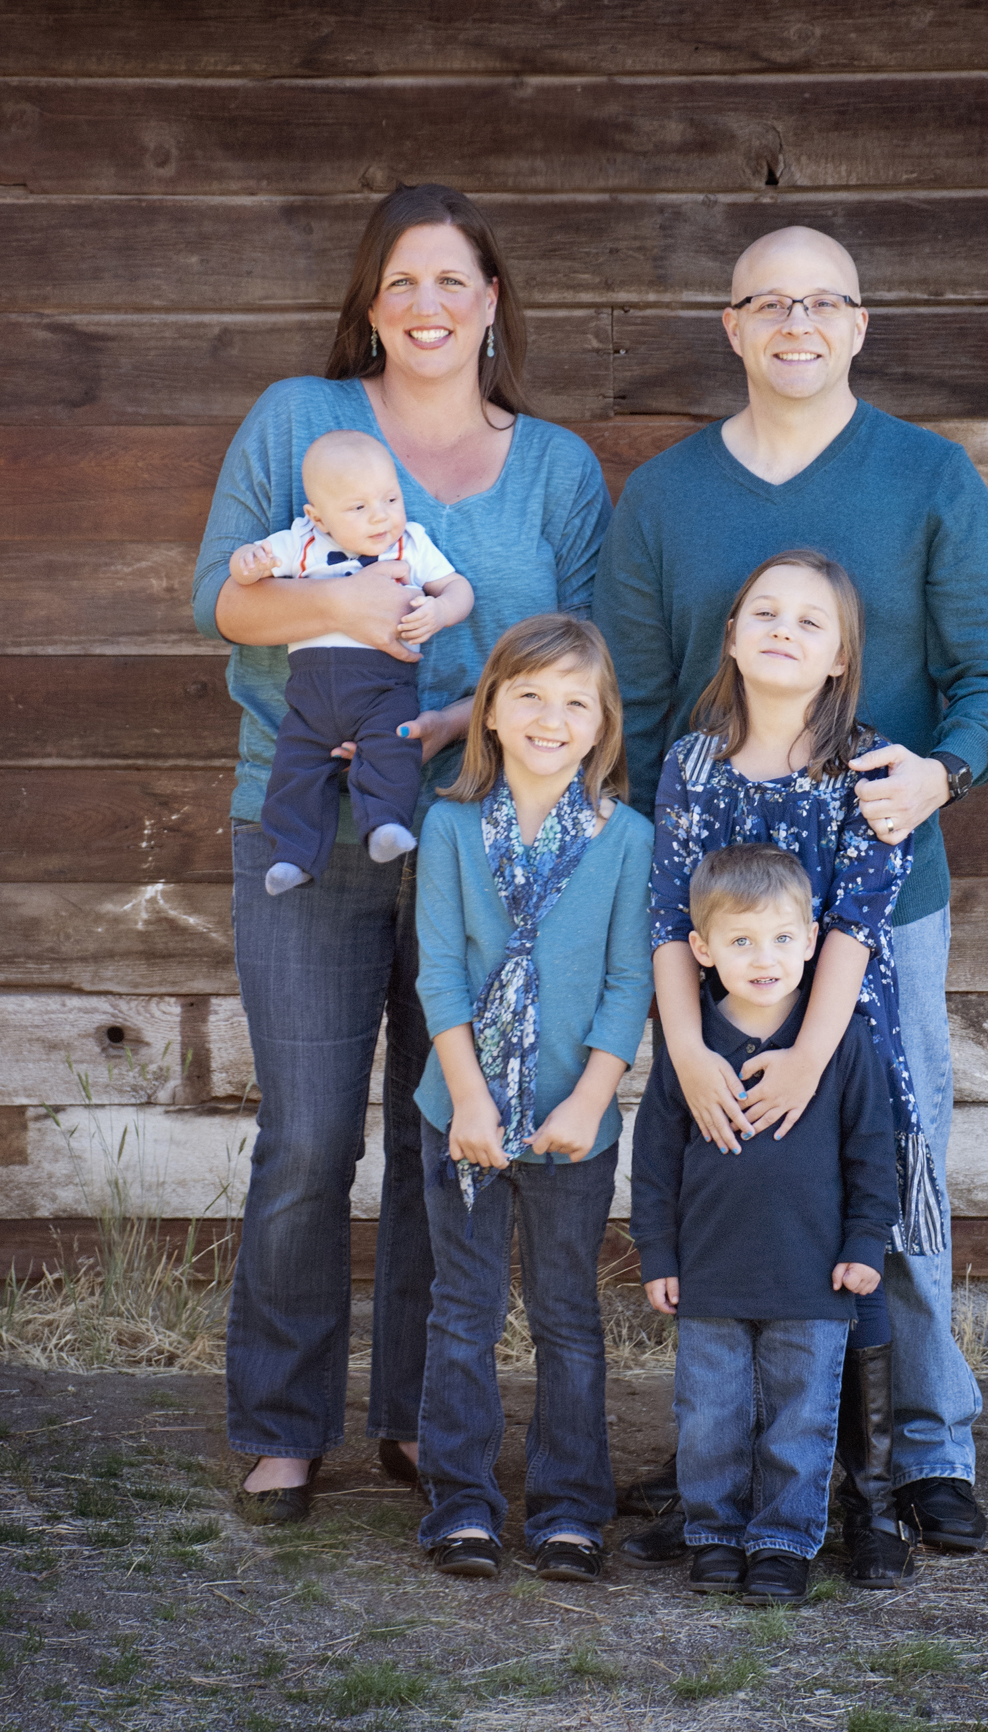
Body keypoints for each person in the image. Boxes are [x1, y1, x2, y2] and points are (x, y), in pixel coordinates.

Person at [595, 225, 988, 1555]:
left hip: (876, 906)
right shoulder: (665, 498)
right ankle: (734, 1449)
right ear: (732, 325)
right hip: (717, 921)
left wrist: (943, 774)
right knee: (731, 1162)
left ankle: (927, 1450)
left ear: (859, 323)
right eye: (769, 302)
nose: (797, 322)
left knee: (889, 1163)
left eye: (823, 301)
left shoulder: (928, 477)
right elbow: (636, 707)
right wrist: (661, 924)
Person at [192, 184, 611, 1521]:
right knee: (310, 1138)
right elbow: (219, 599)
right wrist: (349, 603)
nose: (427, 305)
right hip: (306, 824)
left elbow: (584, 658)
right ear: (369, 306)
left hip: (486, 840)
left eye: (452, 281)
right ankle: (282, 1423)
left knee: (447, 1141)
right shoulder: (295, 420)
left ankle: (429, 1420)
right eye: (401, 282)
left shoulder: (557, 470)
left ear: (492, 302)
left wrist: (463, 717)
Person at [632, 550, 923, 1589]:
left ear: (842, 654)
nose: (785, 630)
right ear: (732, 635)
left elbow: (857, 918)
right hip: (719, 1043)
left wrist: (810, 1054)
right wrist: (686, 1051)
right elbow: (669, 916)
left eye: (811, 621)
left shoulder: (869, 765)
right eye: (765, 612)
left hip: (837, 1040)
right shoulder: (693, 764)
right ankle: (719, 1500)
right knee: (739, 1245)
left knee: (845, 1242)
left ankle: (868, 1502)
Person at [412, 616, 653, 1581]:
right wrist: (469, 1100)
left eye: (575, 703)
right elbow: (437, 973)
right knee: (463, 1313)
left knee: (566, 1316)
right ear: (491, 713)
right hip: (460, 1113)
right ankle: (461, 1506)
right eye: (530, 697)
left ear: (602, 726)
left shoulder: (627, 839)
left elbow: (629, 983)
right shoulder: (449, 826)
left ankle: (568, 1510)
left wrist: (592, 1100)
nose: (552, 718)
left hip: (571, 1121)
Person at [632, 844, 903, 1603]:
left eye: (783, 937)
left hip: (812, 1276)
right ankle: (715, 1536)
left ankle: (784, 1542)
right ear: (703, 949)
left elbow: (872, 1152)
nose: (764, 958)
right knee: (709, 1418)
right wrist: (658, 1254)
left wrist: (864, 1244)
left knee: (799, 1421)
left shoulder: (840, 1043)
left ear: (812, 940)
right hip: (711, 1273)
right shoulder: (690, 1050)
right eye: (742, 940)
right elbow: (654, 1162)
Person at [229, 429, 474, 894]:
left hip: (384, 688)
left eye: (391, 498)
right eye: (359, 507)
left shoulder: (410, 544)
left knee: (394, 748)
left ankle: (385, 825)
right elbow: (248, 569)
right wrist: (247, 562)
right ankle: (292, 856)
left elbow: (458, 587)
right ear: (317, 517)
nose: (381, 515)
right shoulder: (299, 542)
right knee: (294, 768)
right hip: (310, 695)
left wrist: (441, 611)